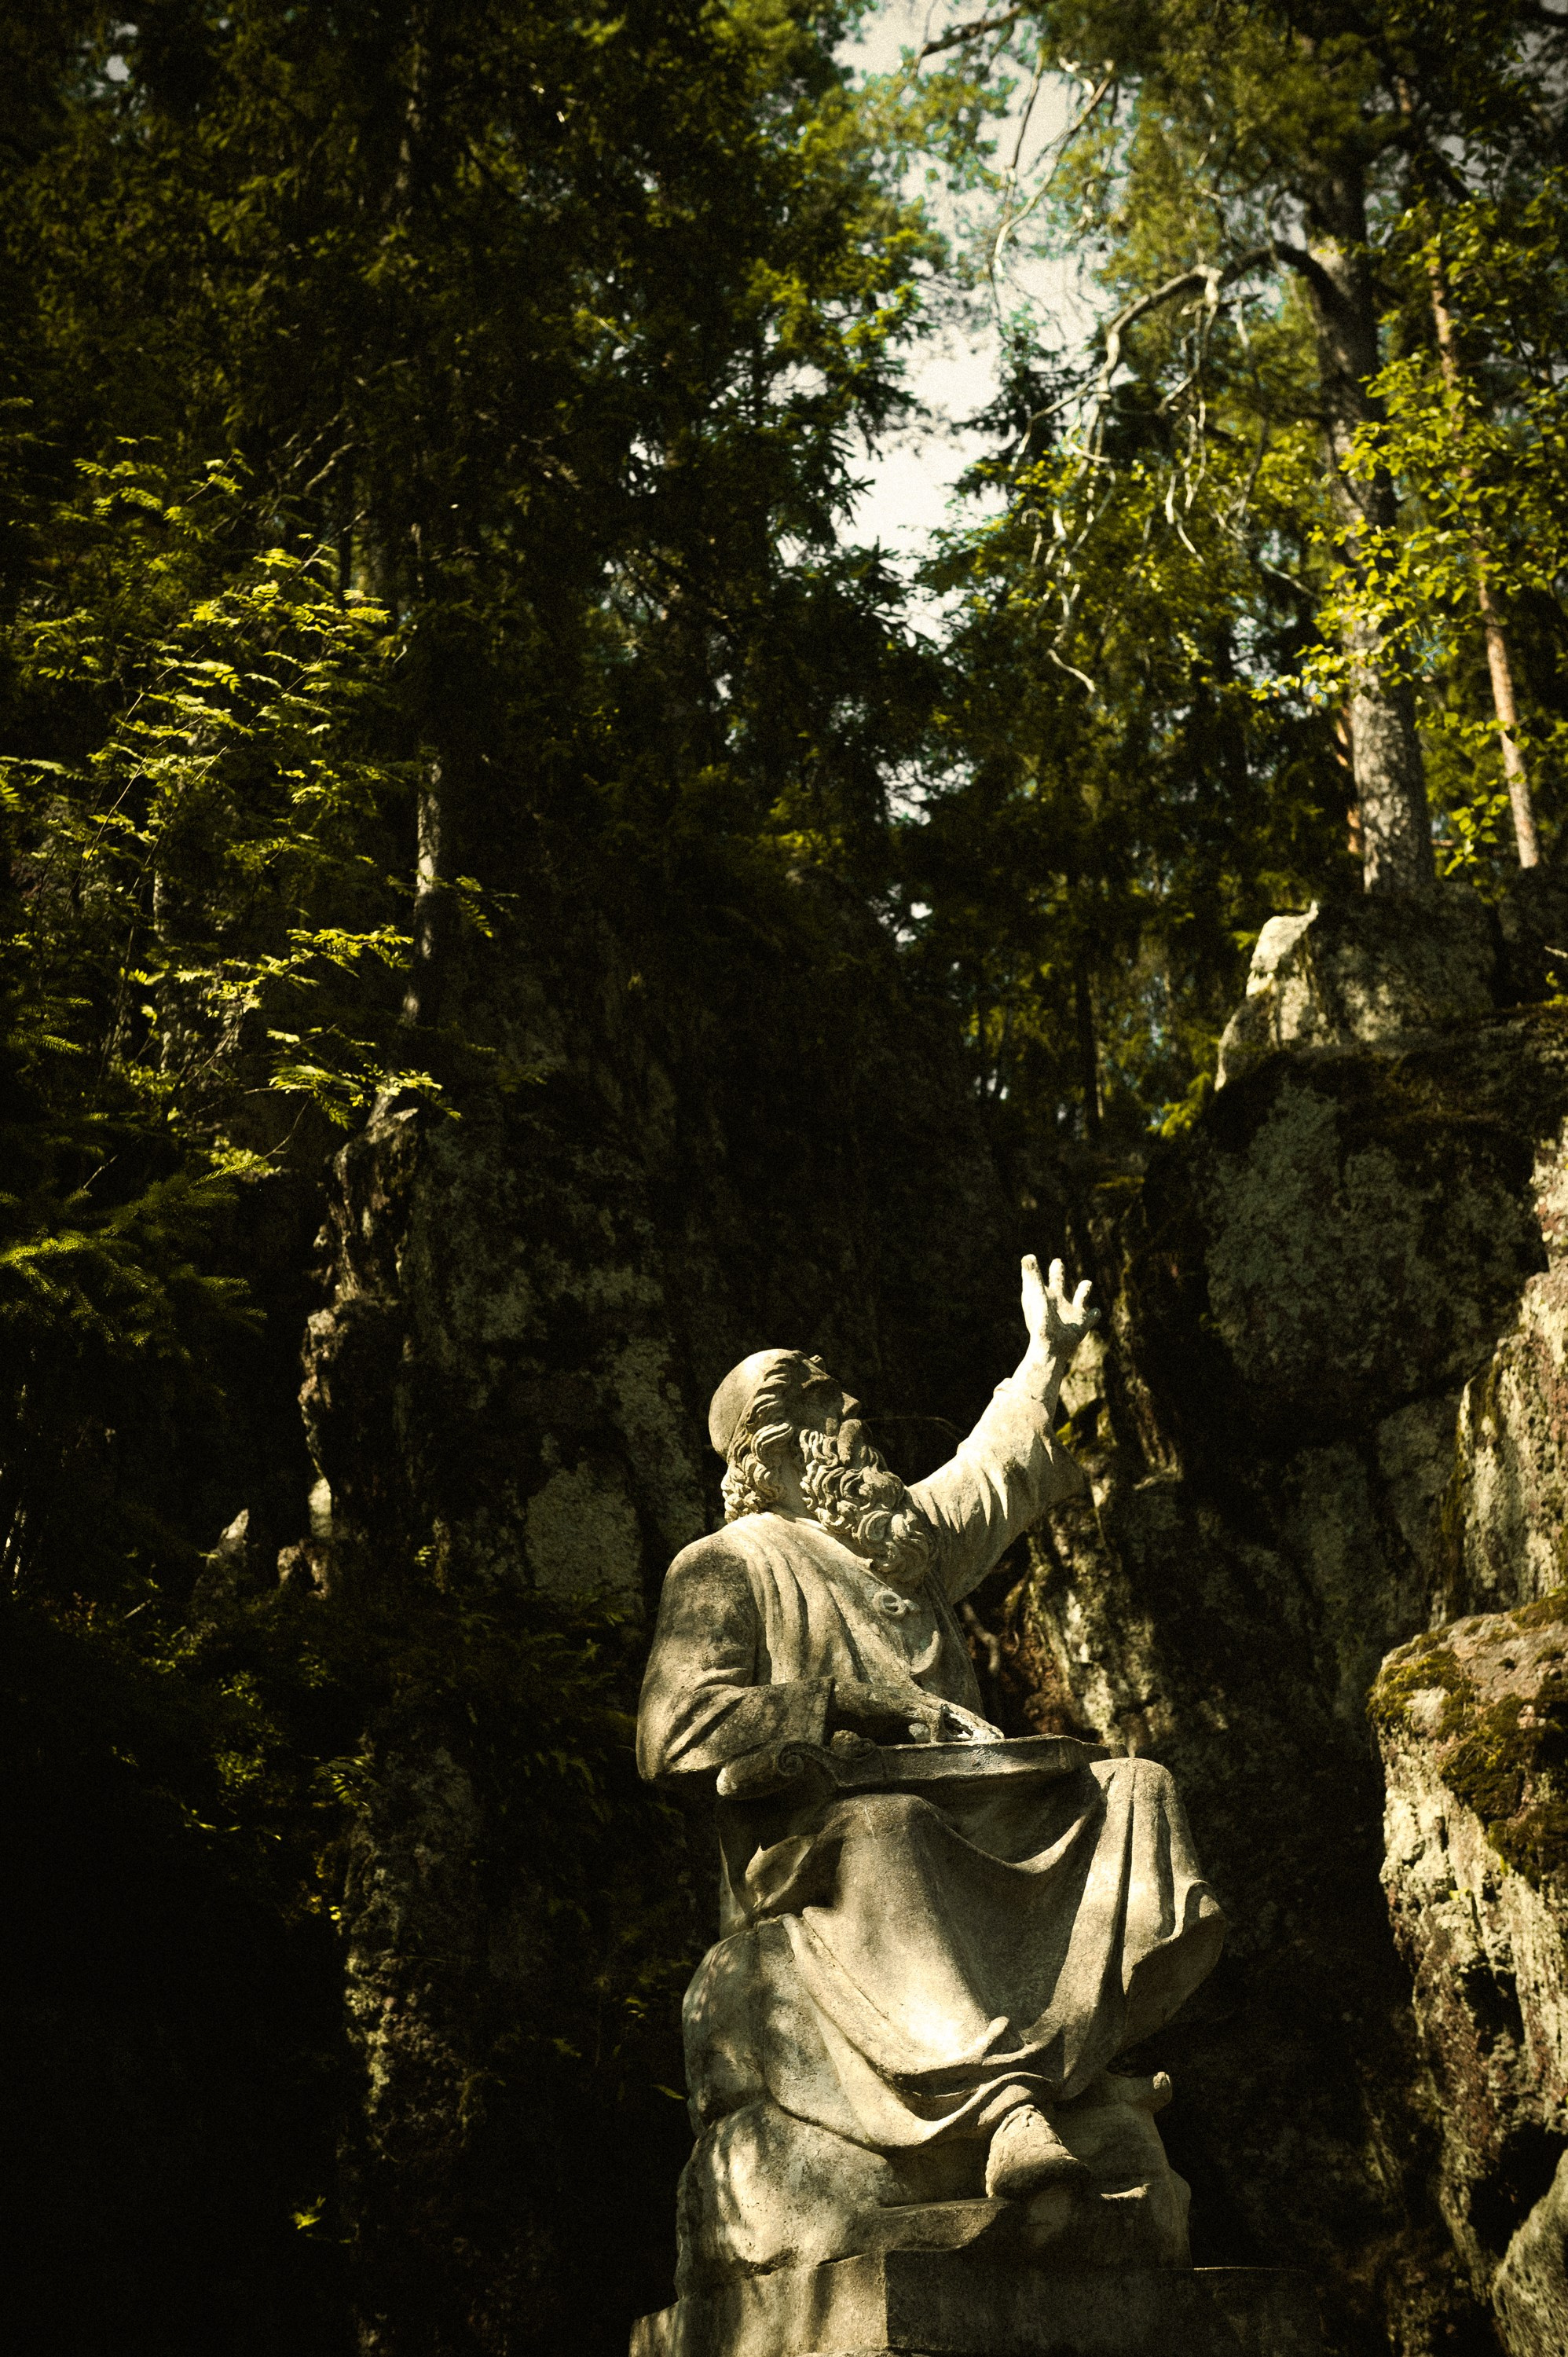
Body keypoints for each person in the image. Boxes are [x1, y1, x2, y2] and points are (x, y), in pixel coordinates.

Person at [637, 1255, 1224, 2226]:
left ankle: (1075, 2065)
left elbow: (993, 1473)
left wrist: (1044, 1356)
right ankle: (1005, 2109)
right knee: (890, 1829)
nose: (855, 1407)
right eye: (828, 1401)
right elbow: (672, 1729)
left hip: (978, 1806)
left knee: (1135, 1792)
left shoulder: (900, 1540)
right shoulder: (727, 1566)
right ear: (778, 1443)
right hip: (820, 1846)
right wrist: (845, 1705)